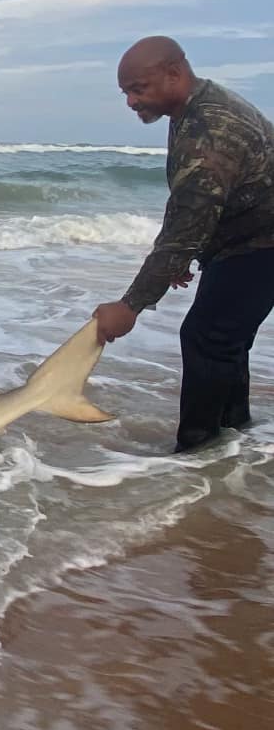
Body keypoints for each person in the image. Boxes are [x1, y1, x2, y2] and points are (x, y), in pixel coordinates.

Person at [94, 36, 274, 451]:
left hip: (261, 244)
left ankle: (197, 453)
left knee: (207, 337)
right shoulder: (194, 106)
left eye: (138, 89)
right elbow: (191, 208)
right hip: (242, 241)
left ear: (174, 74)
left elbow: (187, 223)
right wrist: (186, 255)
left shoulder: (209, 128)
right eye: (126, 92)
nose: (130, 102)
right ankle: (234, 436)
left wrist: (131, 305)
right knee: (223, 338)